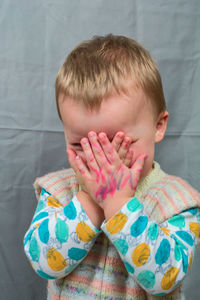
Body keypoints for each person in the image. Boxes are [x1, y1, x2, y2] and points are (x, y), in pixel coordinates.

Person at [24, 34, 200, 300]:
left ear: (158, 126)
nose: (102, 160)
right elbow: (44, 263)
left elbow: (165, 278)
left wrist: (118, 203)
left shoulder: (178, 201)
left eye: (117, 143)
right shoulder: (58, 191)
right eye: (82, 144)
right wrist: (89, 201)